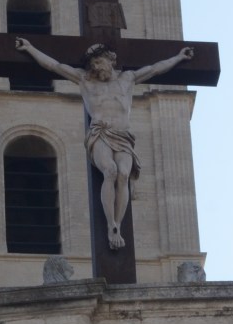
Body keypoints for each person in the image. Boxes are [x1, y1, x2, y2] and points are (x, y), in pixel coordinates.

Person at [14, 38, 194, 251]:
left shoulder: (128, 78)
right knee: (110, 171)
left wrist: (179, 57)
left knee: (124, 175)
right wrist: (31, 48)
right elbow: (54, 65)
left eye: (99, 62)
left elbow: (155, 69)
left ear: (110, 60)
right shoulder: (85, 80)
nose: (96, 67)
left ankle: (118, 223)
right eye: (93, 65)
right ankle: (111, 225)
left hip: (124, 136)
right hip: (100, 133)